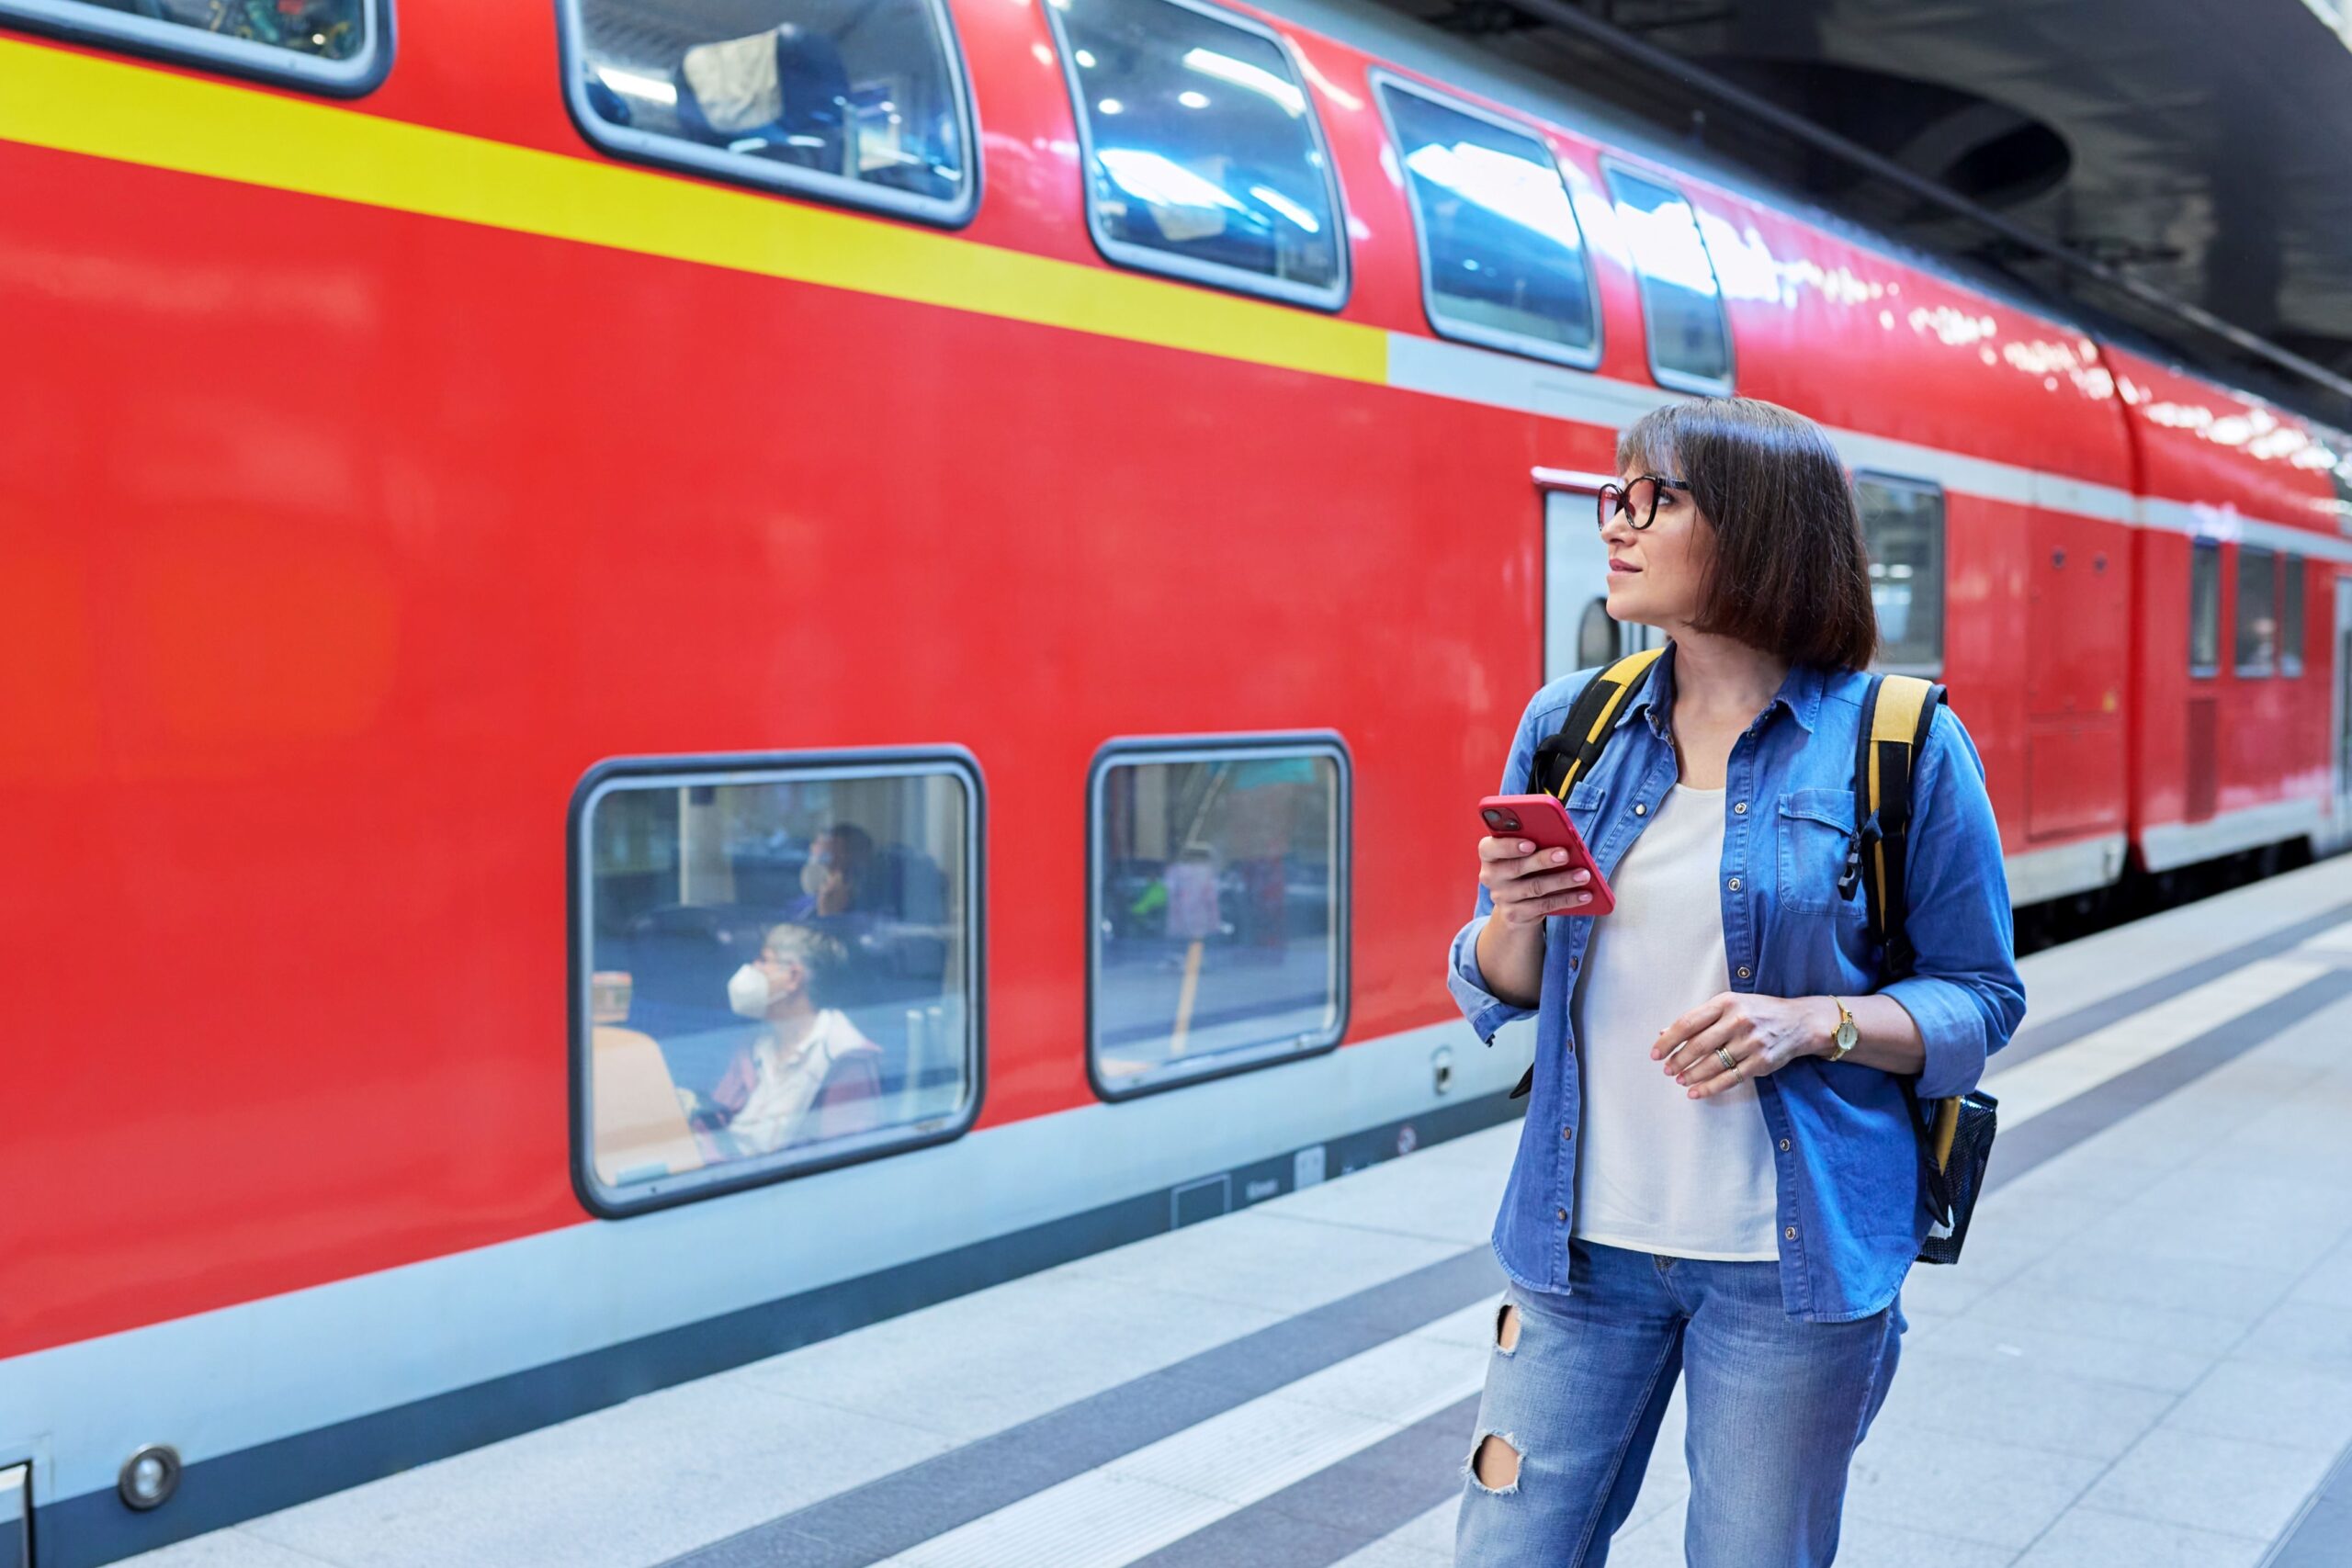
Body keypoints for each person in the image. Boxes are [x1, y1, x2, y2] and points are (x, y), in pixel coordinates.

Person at [1448, 397, 2025, 1566]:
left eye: (1653, 498)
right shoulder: (1574, 725)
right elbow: (1496, 978)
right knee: (1503, 1554)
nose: (1615, 523)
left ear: (1761, 528)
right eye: (1614, 495)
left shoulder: (1896, 736)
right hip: (1576, 1250)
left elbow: (1981, 997)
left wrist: (1814, 1022)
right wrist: (1512, 914)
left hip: (1791, 1270)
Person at [684, 922, 884, 1160]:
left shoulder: (845, 1055)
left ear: (793, 977)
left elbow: (840, 1159)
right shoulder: (757, 1043)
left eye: (764, 961)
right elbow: (719, 1117)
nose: (752, 969)